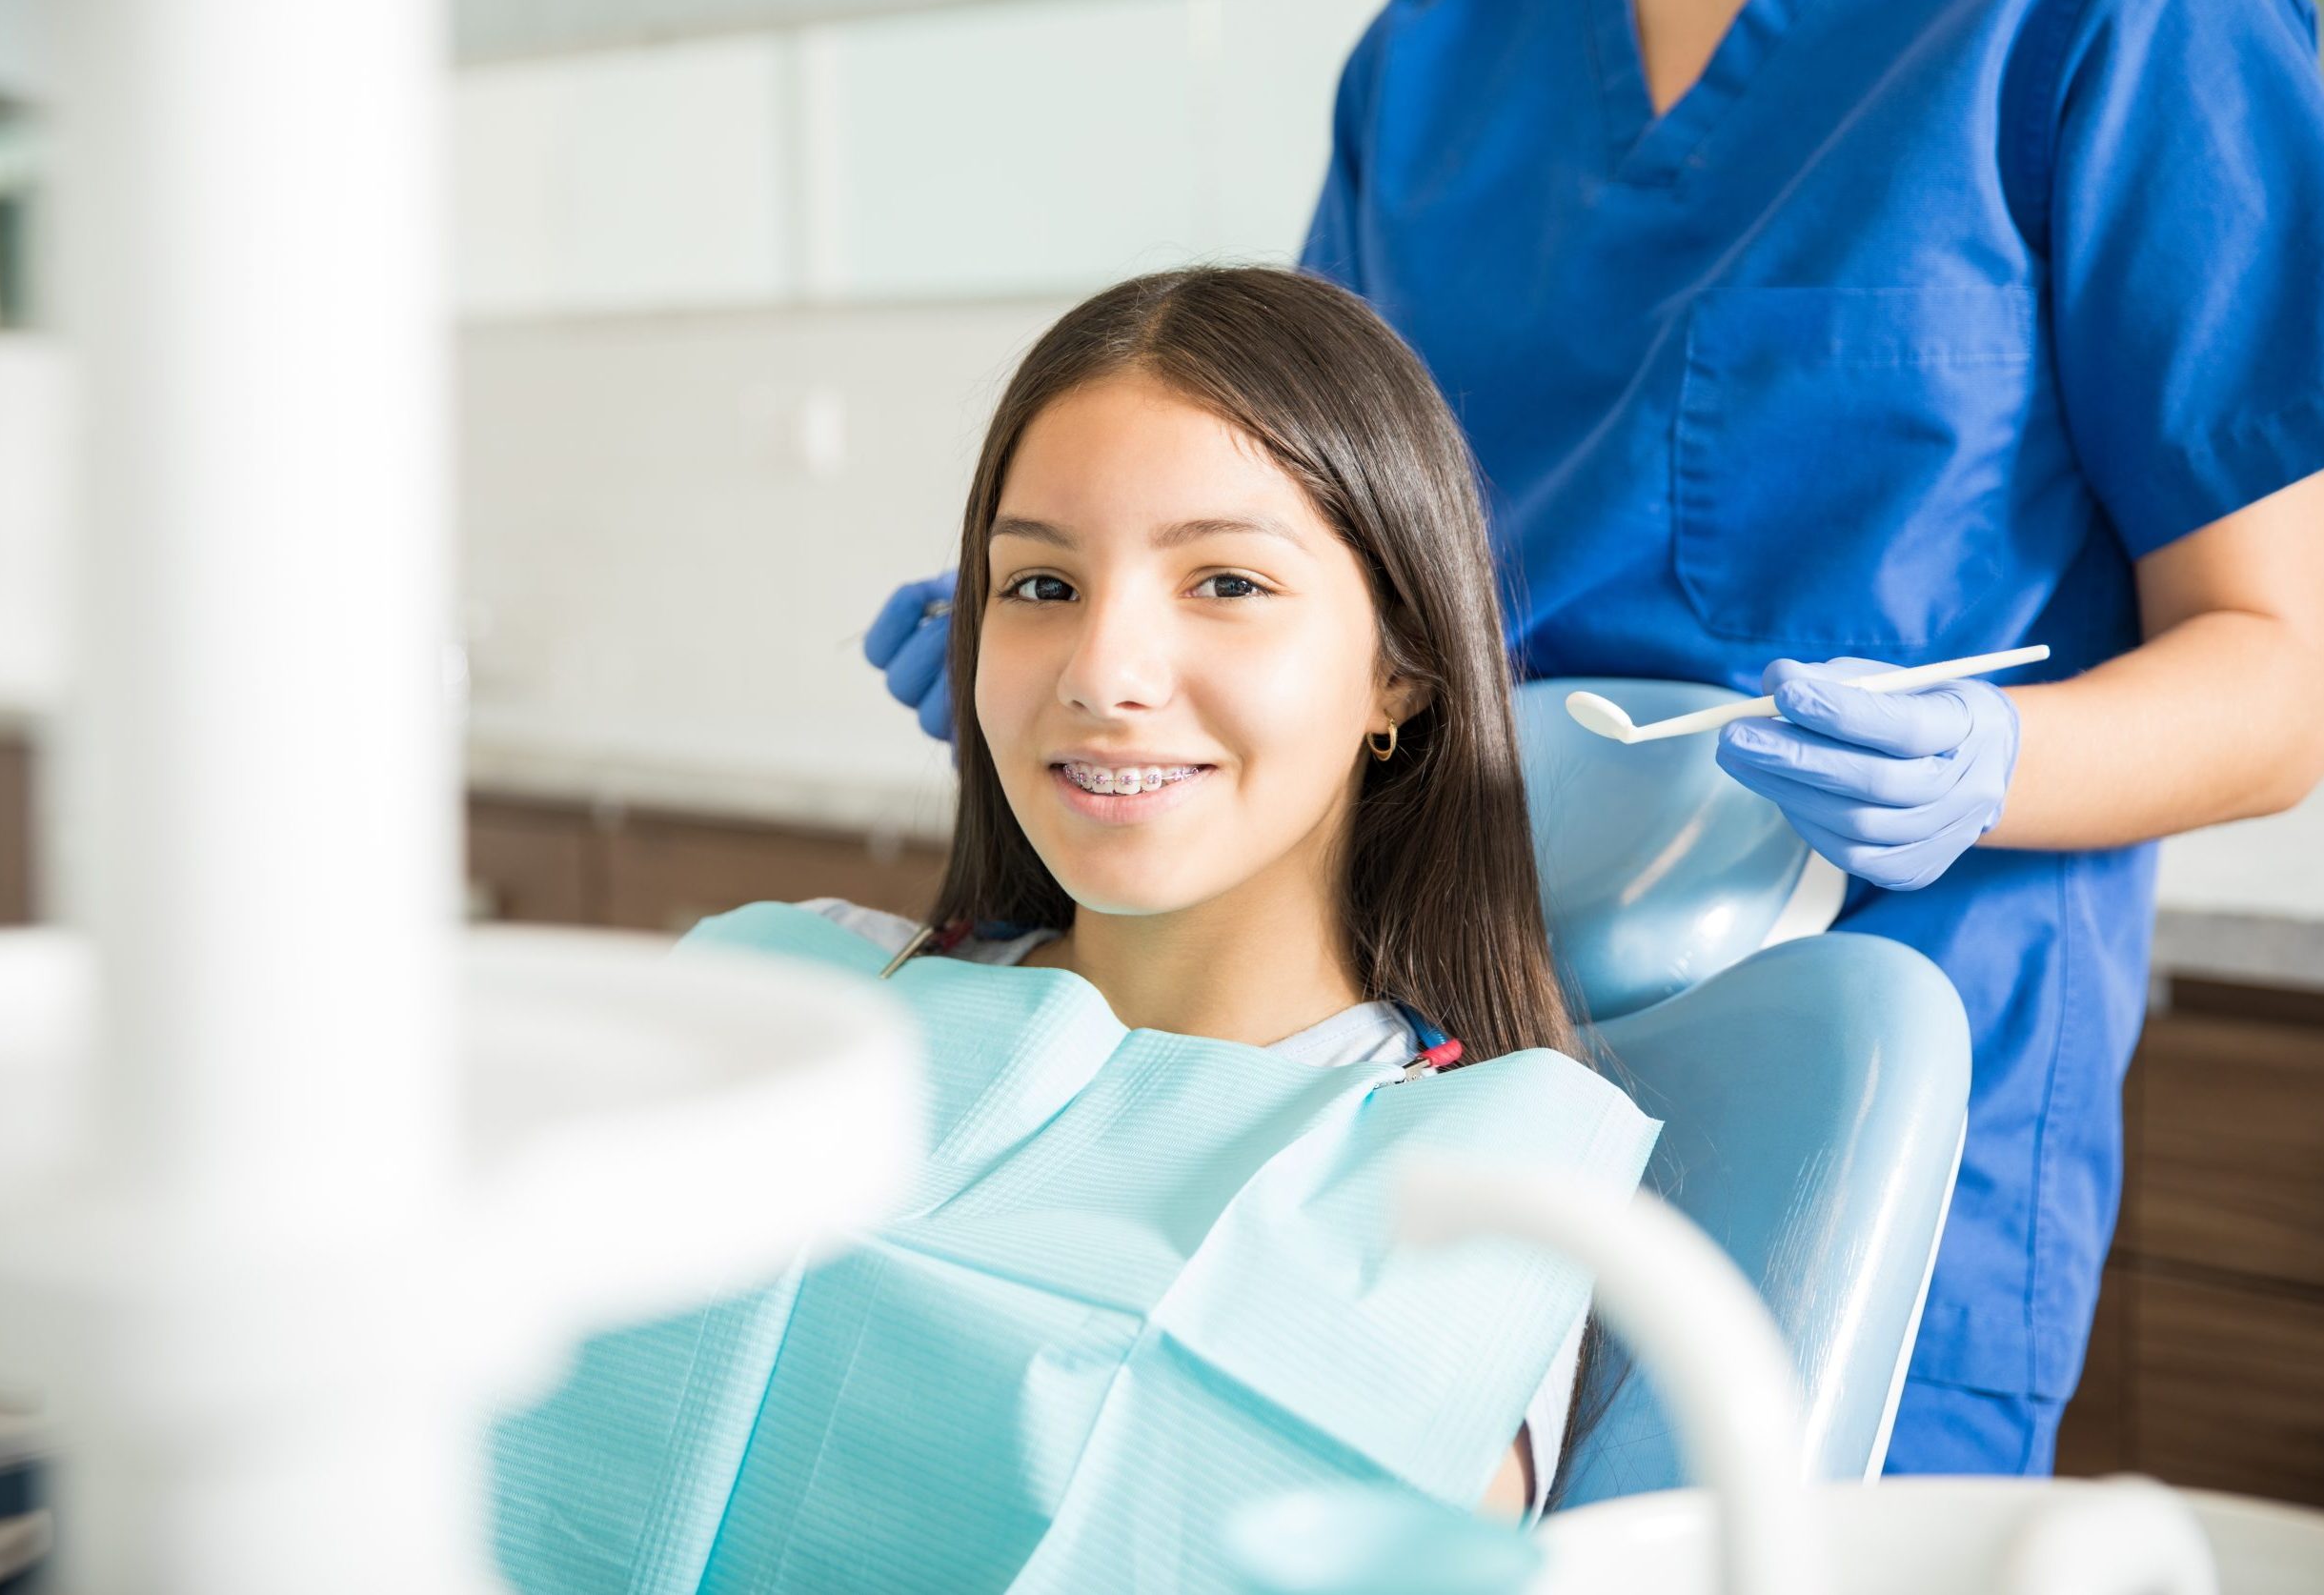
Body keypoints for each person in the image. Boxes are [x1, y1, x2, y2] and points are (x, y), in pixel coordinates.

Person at [871, 0, 2324, 1479]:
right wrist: (1108, 635)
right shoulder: (1433, 58)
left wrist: (2003, 762)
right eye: (1030, 581)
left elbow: (2281, 672)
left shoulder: (2124, 9)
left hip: (1866, 1071)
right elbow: (1294, 513)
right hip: (1398, 1053)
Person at [491, 267, 1660, 1595]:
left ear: (1396, 666)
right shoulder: (792, 994)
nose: (1104, 672)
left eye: (1224, 582)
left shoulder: (1463, 1194)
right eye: (1039, 587)